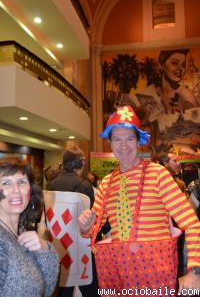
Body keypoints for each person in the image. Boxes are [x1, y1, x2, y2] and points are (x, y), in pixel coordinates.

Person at [78, 106, 200, 295]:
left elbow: (191, 223)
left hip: (158, 275)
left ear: (138, 141)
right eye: (117, 139)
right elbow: (93, 231)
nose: (124, 146)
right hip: (119, 275)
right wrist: (86, 226)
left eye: (129, 139)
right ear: (110, 143)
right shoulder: (107, 183)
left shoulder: (158, 174)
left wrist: (195, 271)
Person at [0, 155, 59, 296]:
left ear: (31, 190)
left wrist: (44, 247)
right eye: (6, 183)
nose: (16, 190)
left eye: (22, 182)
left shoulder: (21, 231)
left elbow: (47, 287)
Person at [49, 146, 99, 297]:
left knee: (64, 285)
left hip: (59, 244)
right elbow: (92, 217)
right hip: (81, 245)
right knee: (91, 287)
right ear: (82, 164)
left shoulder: (53, 184)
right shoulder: (84, 185)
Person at [136, 49, 198, 122]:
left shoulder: (187, 96)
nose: (180, 68)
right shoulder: (148, 93)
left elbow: (195, 127)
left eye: (183, 65)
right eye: (174, 63)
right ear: (162, 65)